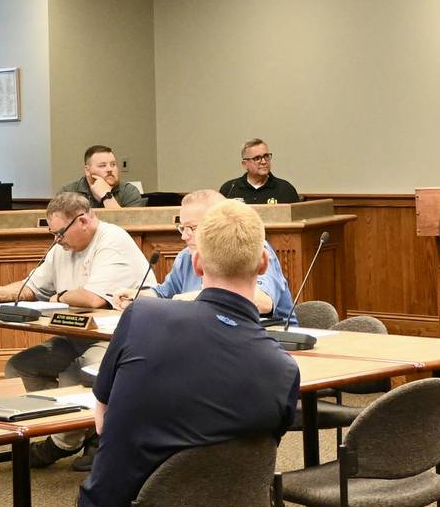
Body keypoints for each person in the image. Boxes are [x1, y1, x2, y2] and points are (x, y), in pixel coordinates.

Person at [79, 200, 299, 507]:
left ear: (196, 264)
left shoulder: (141, 316)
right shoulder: (284, 372)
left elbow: (101, 421)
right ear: (263, 263)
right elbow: (253, 457)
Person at [0, 192, 155, 469]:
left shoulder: (112, 240)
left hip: (119, 339)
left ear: (83, 220)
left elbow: (93, 298)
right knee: (20, 368)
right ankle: (85, 430)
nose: (56, 240)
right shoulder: (62, 247)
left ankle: (61, 443)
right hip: (78, 335)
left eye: (60, 233)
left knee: (76, 373)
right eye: (53, 233)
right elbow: (31, 288)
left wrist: (56, 298)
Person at [114, 190, 296, 323]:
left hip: (276, 345)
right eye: (182, 228)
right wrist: (138, 297)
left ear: (219, 224)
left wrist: (194, 298)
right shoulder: (188, 255)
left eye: (192, 228)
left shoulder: (250, 246)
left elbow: (262, 302)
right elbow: (165, 294)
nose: (184, 236)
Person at [59, 145, 147, 209]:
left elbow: (128, 226)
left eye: (113, 164)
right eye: (102, 165)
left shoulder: (129, 191)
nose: (110, 169)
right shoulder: (68, 193)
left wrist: (106, 195)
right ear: (87, 170)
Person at [219, 138, 302, 204]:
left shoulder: (285, 189)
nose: (263, 161)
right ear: (245, 164)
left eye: (266, 156)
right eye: (257, 158)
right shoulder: (229, 189)